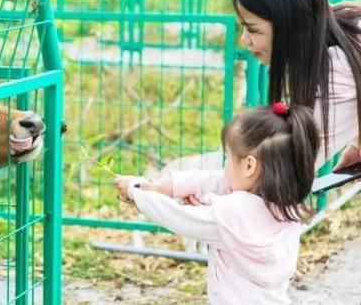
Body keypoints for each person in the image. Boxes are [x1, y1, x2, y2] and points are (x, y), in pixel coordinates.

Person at [115, 102, 320, 304]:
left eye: (228, 158)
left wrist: (136, 191)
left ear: (249, 165)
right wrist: (165, 187)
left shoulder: (235, 212)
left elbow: (178, 217)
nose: (224, 167)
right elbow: (214, 181)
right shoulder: (286, 205)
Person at [230, 0, 361, 171]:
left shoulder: (335, 74)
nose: (244, 40)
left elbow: (282, 173)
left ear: (290, 25)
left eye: (253, 29)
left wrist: (183, 188)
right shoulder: (342, 24)